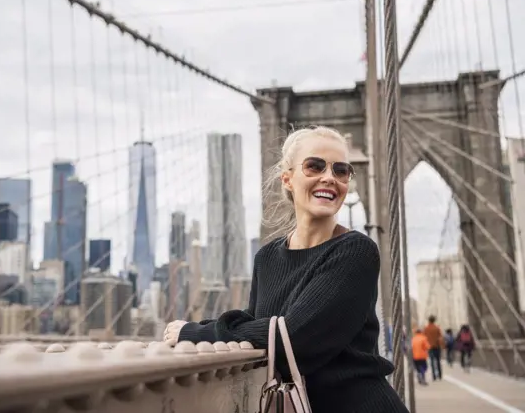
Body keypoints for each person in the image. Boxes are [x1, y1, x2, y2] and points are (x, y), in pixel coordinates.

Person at [163, 126, 408, 412]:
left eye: (340, 170)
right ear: (288, 179)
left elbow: (295, 340)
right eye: (314, 166)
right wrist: (211, 326)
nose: (329, 177)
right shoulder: (266, 258)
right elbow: (256, 328)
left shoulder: (356, 252)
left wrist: (196, 333)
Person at [423, 315, 444, 380]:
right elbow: (440, 338)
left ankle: (434, 376)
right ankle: (440, 376)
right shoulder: (437, 328)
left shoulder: (426, 328)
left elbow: (424, 338)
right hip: (437, 346)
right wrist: (442, 346)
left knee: (432, 362)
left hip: (430, 347)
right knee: (438, 361)